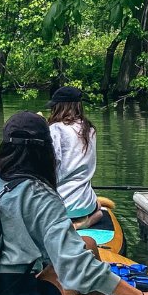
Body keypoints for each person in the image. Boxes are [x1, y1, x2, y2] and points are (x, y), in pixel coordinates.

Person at [0, 111, 148, 295]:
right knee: (84, 252)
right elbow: (79, 267)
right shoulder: (40, 195)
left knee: (85, 244)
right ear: (46, 150)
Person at [47, 85, 103, 229]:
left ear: (59, 107)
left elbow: (50, 168)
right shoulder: (89, 129)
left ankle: (76, 224)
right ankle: (87, 219)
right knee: (98, 205)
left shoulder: (55, 129)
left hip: (59, 207)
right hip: (84, 203)